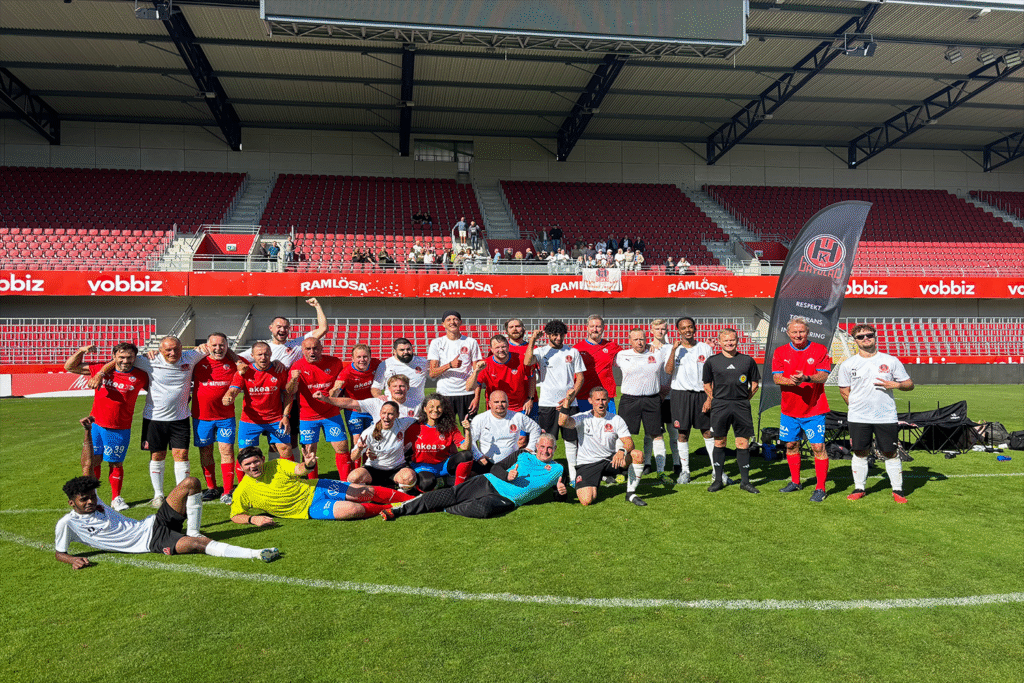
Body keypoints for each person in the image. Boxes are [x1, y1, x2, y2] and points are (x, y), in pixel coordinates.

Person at [55, 475, 280, 568]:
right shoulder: (68, 523)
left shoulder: (97, 502)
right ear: (71, 503)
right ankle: (257, 553)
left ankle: (193, 530)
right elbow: (59, 553)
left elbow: (87, 468)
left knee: (191, 483)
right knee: (197, 545)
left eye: (92, 497)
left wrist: (87, 433)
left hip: (152, 522)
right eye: (84, 500)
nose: (90, 502)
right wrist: (72, 560)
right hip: (152, 541)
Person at [381, 433, 565, 521]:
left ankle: (443, 509)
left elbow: (558, 492)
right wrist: (507, 476)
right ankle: (399, 510)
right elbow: (496, 467)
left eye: (549, 448)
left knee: (483, 510)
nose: (545, 451)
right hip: (489, 481)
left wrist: (561, 493)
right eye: (542, 446)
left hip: (508, 499)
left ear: (555, 449)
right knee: (452, 494)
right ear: (537, 446)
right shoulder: (523, 454)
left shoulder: (558, 469)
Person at [126, 336, 211, 509]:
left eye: (176, 349)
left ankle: (181, 494)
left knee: (182, 455)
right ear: (160, 350)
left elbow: (218, 346)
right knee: (157, 456)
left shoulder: (190, 357)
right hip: (154, 418)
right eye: (168, 350)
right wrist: (101, 372)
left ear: (182, 348)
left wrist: (206, 345)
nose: (173, 353)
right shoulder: (149, 360)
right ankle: (158, 495)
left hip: (180, 418)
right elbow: (121, 359)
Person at [238, 298, 329, 459]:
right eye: (279, 326)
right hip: (269, 401)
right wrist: (244, 364)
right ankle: (275, 470)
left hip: (290, 399)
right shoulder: (263, 349)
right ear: (271, 328)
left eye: (286, 327)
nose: (282, 329)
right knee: (273, 443)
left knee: (291, 439)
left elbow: (323, 329)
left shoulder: (295, 344)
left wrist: (317, 306)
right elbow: (236, 358)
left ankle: (294, 470)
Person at [64, 342, 149, 511]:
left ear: (135, 358)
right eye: (121, 357)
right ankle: (94, 496)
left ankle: (116, 498)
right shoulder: (100, 369)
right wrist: (81, 351)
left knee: (115, 463)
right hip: (96, 425)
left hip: (120, 426)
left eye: (130, 357)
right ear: (114, 356)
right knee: (93, 461)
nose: (125, 361)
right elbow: (69, 366)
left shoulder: (141, 376)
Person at [229, 446, 415, 523]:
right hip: (309, 509)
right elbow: (235, 515)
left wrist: (308, 465)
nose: (253, 466)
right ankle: (394, 507)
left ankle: (412, 499)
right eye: (247, 464)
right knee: (352, 510)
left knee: (362, 492)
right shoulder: (243, 490)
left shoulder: (276, 464)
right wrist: (253, 519)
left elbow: (299, 470)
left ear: (263, 459)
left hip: (317, 487)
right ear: (241, 467)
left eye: (256, 461)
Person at [838, 324, 915, 503]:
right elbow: (844, 391)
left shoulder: (891, 360)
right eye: (861, 336)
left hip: (885, 416)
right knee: (860, 452)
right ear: (855, 340)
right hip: (858, 417)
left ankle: (897, 490)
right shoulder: (848, 364)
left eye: (869, 335)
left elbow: (909, 384)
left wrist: (897, 385)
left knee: (890, 452)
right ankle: (859, 488)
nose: (865, 338)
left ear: (875, 336)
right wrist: (857, 407)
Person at [772, 318, 834, 502]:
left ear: (808, 332)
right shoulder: (780, 351)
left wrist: (806, 378)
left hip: (814, 409)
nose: (798, 335)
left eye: (801, 332)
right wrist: (792, 381)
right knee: (791, 445)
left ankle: (820, 488)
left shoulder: (819, 349)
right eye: (794, 332)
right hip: (789, 410)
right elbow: (776, 378)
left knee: (818, 447)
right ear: (788, 333)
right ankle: (795, 482)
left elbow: (823, 376)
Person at [558, 387, 647, 506]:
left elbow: (629, 442)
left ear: (608, 400)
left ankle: (630, 494)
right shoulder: (583, 417)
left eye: (604, 399)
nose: (601, 403)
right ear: (590, 401)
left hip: (610, 460)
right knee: (586, 500)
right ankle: (596, 479)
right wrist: (567, 400)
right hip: (588, 463)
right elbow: (562, 422)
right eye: (597, 399)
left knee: (637, 455)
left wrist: (621, 451)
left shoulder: (616, 419)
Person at [524, 320, 585, 493]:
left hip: (569, 404)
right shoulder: (541, 351)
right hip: (547, 404)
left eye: (561, 334)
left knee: (571, 440)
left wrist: (571, 396)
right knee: (547, 441)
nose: (558, 338)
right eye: (554, 335)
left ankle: (573, 477)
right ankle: (544, 476)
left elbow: (580, 377)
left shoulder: (572, 352)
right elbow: (527, 361)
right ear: (548, 335)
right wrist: (532, 340)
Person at [702, 328, 761, 494]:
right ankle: (718, 480)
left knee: (742, 443)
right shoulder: (712, 361)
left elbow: (754, 384)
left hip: (741, 406)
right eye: (726, 340)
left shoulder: (747, 360)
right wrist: (716, 399)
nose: (729, 343)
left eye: (732, 340)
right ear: (719, 342)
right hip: (720, 406)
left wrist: (743, 399)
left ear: (737, 341)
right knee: (719, 442)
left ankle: (745, 482)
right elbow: (706, 384)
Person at [664, 317, 721, 485]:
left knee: (708, 432)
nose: (687, 330)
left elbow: (712, 375)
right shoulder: (673, 349)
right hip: (680, 395)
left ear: (695, 329)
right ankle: (685, 471)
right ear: (678, 331)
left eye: (690, 327)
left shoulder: (705, 348)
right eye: (683, 328)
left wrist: (710, 398)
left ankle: (717, 471)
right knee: (682, 433)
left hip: (702, 394)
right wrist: (674, 351)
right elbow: (668, 371)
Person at [285, 337, 347, 479]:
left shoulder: (335, 362)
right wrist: (294, 379)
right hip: (308, 416)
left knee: (342, 447)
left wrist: (339, 397)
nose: (312, 352)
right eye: (308, 349)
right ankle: (313, 484)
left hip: (331, 414)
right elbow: (290, 391)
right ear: (303, 350)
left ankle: (346, 483)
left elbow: (343, 382)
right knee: (309, 451)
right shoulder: (297, 366)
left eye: (315, 348)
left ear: (321, 349)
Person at [616, 328, 672, 485]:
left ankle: (661, 472)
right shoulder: (622, 355)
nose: (639, 342)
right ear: (629, 341)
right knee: (623, 436)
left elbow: (671, 364)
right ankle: (620, 470)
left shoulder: (657, 353)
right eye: (635, 339)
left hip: (652, 400)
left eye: (642, 339)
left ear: (646, 340)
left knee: (657, 435)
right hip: (629, 400)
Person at [190, 333, 241, 504]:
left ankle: (227, 491)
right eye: (214, 345)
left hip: (225, 417)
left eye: (222, 345)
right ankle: (211, 488)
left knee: (227, 451)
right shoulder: (197, 362)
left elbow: (253, 363)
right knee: (205, 451)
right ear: (207, 346)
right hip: (202, 417)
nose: (218, 348)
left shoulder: (234, 362)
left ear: (227, 346)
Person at [222, 341, 294, 462]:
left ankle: (288, 474)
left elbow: (287, 394)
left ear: (271, 354)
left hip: (275, 419)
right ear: (252, 356)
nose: (263, 357)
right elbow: (234, 389)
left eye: (266, 354)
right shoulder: (245, 371)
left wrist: (286, 416)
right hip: (250, 420)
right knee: (245, 454)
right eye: (259, 354)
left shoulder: (279, 370)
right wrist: (229, 396)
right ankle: (245, 476)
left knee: (286, 449)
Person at [407, 394, 473, 491]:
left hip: (443, 465)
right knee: (427, 484)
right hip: (422, 466)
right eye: (431, 407)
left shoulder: (449, 427)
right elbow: (401, 448)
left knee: (466, 455)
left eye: (439, 407)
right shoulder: (414, 427)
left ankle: (459, 488)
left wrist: (467, 430)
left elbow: (465, 447)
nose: (435, 410)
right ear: (425, 409)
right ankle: (443, 481)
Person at [427, 310, 483, 422]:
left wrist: (476, 397)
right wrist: (449, 365)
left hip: (467, 393)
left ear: (460, 322)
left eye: (455, 319)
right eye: (448, 320)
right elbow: (432, 373)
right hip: (445, 394)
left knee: (470, 428)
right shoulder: (436, 343)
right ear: (443, 324)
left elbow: (477, 373)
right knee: (445, 428)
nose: (452, 322)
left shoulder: (471, 342)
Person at [349, 401, 418, 490]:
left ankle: (402, 493)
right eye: (384, 413)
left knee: (409, 477)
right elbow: (353, 457)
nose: (386, 417)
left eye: (390, 414)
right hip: (373, 470)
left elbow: (422, 419)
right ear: (380, 414)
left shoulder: (402, 423)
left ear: (397, 415)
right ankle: (368, 494)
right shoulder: (369, 432)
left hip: (396, 469)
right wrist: (359, 449)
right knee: (353, 478)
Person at [466, 334, 535, 416]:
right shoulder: (486, 364)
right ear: (491, 349)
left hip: (519, 407)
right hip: (496, 409)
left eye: (503, 347)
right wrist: (476, 371)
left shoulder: (521, 359)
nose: (501, 350)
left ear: (508, 347)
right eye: (497, 347)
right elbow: (469, 388)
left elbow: (531, 377)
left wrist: (530, 398)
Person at [467, 391, 542, 466]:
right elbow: (471, 440)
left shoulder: (517, 417)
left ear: (508, 403)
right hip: (487, 463)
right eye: (496, 402)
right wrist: (478, 456)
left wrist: (530, 448)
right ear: (489, 404)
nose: (500, 404)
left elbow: (536, 428)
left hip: (512, 464)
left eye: (503, 402)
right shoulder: (480, 419)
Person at [645, 319, 679, 477]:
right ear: (651, 330)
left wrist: (668, 387)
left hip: (670, 396)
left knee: (673, 432)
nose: (660, 331)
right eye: (657, 328)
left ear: (667, 330)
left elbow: (676, 370)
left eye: (663, 329)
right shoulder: (646, 348)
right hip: (652, 396)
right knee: (650, 433)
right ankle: (647, 463)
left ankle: (677, 463)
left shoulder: (673, 348)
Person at [336, 343, 383, 452]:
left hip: (372, 408)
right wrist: (335, 390)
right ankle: (354, 463)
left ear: (370, 357)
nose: (362, 360)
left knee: (372, 439)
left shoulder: (377, 364)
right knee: (357, 441)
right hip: (354, 410)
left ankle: (368, 463)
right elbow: (336, 391)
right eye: (359, 357)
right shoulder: (346, 372)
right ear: (352, 358)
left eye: (365, 357)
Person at [574, 314, 622, 414]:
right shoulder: (577, 349)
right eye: (592, 326)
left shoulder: (611, 346)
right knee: (584, 424)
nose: (595, 329)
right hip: (584, 396)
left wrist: (646, 346)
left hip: (606, 397)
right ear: (587, 328)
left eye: (598, 326)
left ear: (603, 328)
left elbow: (631, 355)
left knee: (609, 423)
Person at [372, 337, 429, 411]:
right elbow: (376, 387)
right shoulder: (385, 365)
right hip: (394, 408)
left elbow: (434, 373)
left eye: (408, 349)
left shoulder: (423, 362)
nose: (406, 352)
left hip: (417, 408)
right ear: (394, 351)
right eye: (402, 350)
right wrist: (379, 396)